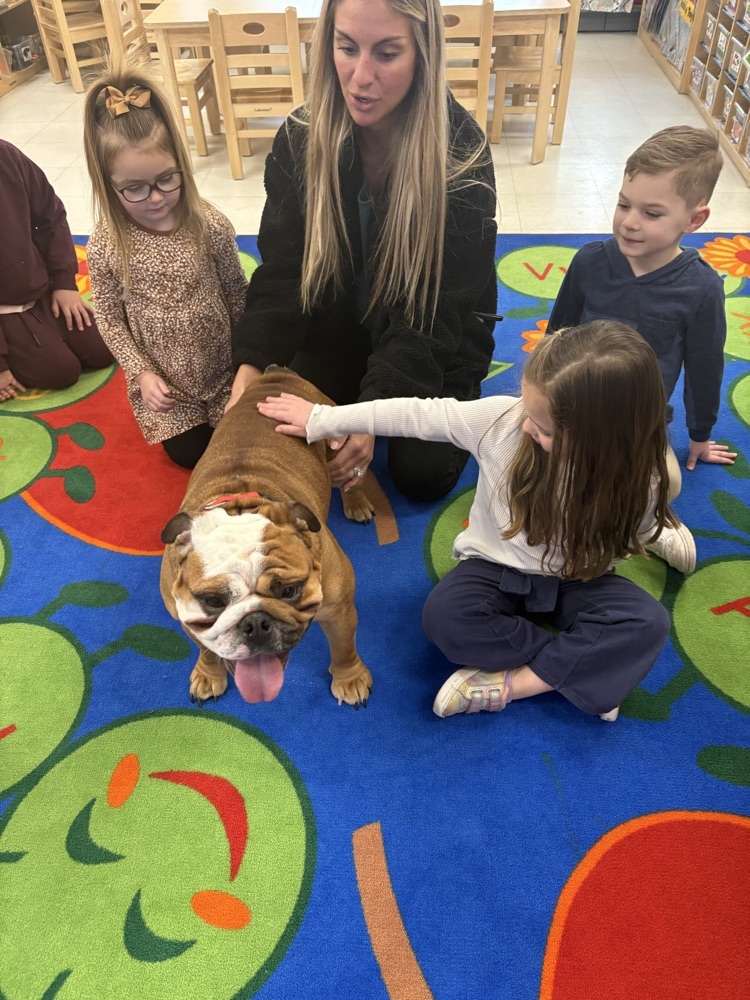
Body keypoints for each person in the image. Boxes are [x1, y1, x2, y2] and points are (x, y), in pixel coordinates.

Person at [257, 321, 695, 722]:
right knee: (444, 619)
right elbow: (418, 413)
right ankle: (582, 670)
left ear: (602, 441)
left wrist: (641, 532)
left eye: (544, 429)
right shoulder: (503, 421)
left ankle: (516, 684)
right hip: (496, 569)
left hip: (578, 577)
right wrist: (322, 418)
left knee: (648, 621)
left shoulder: (644, 479)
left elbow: (624, 536)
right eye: (529, 409)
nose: (527, 426)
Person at [228, 0, 498, 501]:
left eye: (388, 53)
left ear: (424, 54)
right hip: (339, 326)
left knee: (420, 473)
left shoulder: (462, 159)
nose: (360, 78)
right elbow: (285, 272)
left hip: (432, 335)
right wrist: (250, 363)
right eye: (347, 48)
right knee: (281, 422)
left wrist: (372, 412)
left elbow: (435, 319)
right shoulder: (301, 138)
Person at [547, 125, 736, 498]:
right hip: (572, 407)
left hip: (638, 422)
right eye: (623, 204)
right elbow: (557, 336)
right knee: (541, 473)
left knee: (666, 487)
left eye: (651, 213)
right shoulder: (589, 262)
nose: (630, 222)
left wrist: (700, 435)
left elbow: (704, 369)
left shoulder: (701, 290)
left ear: (694, 220)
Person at [83, 55, 247, 469]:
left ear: (182, 167)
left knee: (242, 438)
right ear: (109, 185)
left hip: (222, 370)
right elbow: (108, 317)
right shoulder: (106, 242)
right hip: (165, 385)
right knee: (193, 455)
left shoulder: (209, 223)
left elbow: (237, 293)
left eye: (166, 179)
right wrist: (142, 374)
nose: (155, 198)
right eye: (134, 189)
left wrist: (249, 366)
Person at [0, 139, 113, 403]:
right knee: (61, 372)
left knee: (102, 350)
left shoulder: (6, 155)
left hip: (40, 287)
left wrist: (64, 284)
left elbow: (50, 213)